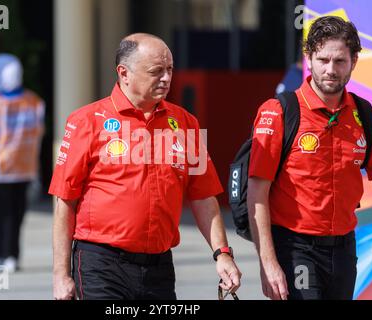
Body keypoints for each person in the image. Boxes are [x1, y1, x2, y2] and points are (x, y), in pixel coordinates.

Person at [50, 33, 242, 300]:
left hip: (159, 267)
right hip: (101, 265)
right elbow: (65, 200)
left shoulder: (185, 123)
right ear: (124, 73)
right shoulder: (87, 121)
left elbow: (203, 196)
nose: (166, 78)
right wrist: (61, 275)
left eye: (170, 69)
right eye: (156, 71)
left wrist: (222, 254)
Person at [247, 16, 372, 300]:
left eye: (340, 61)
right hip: (295, 248)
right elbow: (257, 193)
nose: (330, 69)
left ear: (354, 61)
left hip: (345, 249)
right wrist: (268, 263)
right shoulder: (279, 112)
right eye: (323, 59)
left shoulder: (366, 115)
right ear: (309, 58)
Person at [0, 53, 45, 273]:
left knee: (0, 213)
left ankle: (2, 255)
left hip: (1, 168)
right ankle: (13, 256)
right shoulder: (34, 100)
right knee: (18, 214)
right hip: (26, 167)